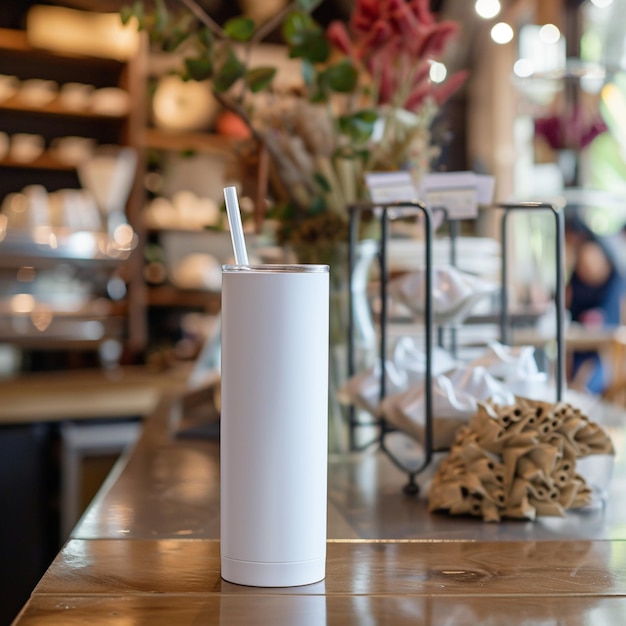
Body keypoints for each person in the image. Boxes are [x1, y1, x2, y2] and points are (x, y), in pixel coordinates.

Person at [565, 213, 626, 394]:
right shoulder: (576, 280)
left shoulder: (615, 286)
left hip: (605, 339)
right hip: (582, 338)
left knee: (595, 371)